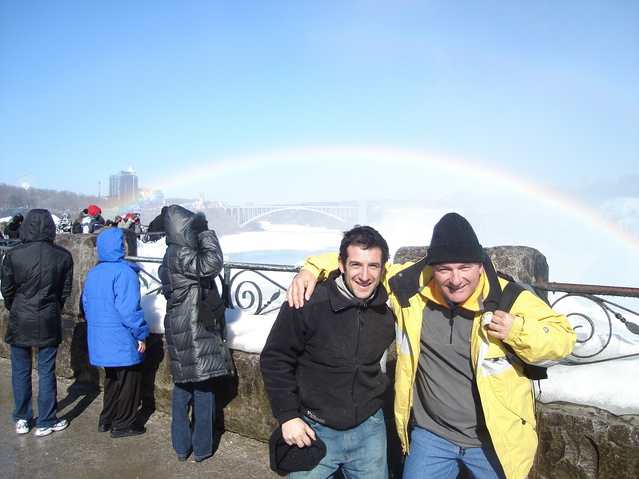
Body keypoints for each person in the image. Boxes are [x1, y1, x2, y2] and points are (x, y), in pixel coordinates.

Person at [287, 213, 577, 479]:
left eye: (465, 267)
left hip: (495, 439)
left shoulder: (509, 298)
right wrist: (311, 270)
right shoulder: (411, 288)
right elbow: (365, 264)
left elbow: (563, 340)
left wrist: (517, 329)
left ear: (480, 266)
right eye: (444, 269)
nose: (455, 279)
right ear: (432, 267)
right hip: (432, 435)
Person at [261, 225, 395, 478]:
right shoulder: (308, 301)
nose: (364, 275)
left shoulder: (386, 311)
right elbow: (276, 358)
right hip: (313, 427)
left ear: (383, 268)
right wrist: (288, 416)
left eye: (373, 266)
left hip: (370, 428)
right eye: (356, 265)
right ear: (341, 265)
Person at [160, 205, 234, 462]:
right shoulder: (182, 253)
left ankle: (181, 446)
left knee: (183, 386)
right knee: (203, 387)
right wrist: (205, 232)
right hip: (194, 329)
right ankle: (202, 448)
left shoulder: (171, 253)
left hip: (180, 326)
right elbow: (212, 264)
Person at [1, 209, 74, 437]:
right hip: (48, 315)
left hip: (21, 315)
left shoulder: (14, 254)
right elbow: (65, 291)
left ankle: (22, 418)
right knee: (46, 371)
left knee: (21, 371)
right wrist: (53, 307)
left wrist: (16, 307)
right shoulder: (63, 255)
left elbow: (7, 290)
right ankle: (45, 420)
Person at [82, 227, 149, 438]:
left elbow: (86, 305)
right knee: (129, 377)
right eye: (124, 242)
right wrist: (141, 334)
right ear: (120, 247)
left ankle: (107, 418)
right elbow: (129, 310)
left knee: (111, 377)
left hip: (100, 336)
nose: (126, 244)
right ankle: (123, 423)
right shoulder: (125, 273)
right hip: (120, 336)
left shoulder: (94, 272)